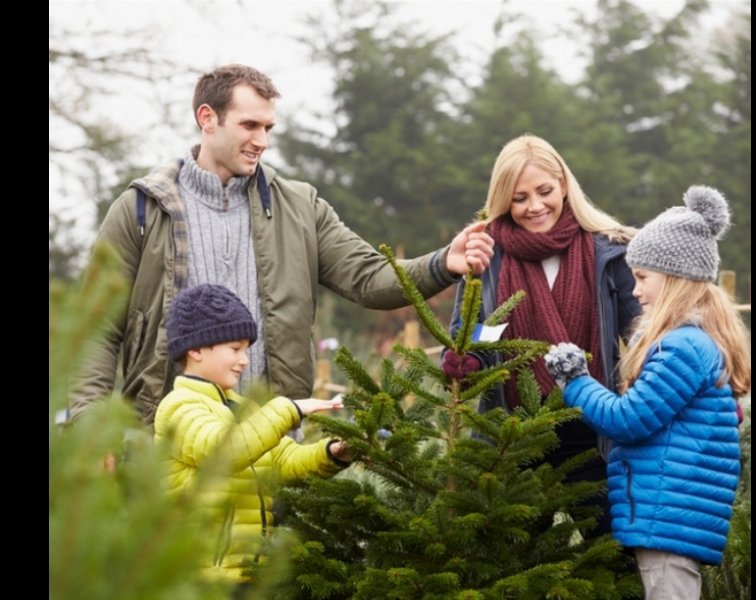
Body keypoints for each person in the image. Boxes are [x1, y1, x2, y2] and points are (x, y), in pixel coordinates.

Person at [71, 63, 493, 424]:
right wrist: (87, 423)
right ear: (207, 118)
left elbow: (369, 278)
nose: (262, 141)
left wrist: (443, 263)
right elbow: (95, 328)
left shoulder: (301, 207)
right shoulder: (140, 210)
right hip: (164, 447)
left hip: (271, 443)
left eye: (268, 127)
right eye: (249, 125)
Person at [544, 185, 750, 599]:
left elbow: (628, 420)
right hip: (669, 511)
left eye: (642, 278)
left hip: (666, 513)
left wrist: (576, 380)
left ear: (674, 279)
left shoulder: (682, 347)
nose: (635, 290)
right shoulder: (694, 342)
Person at [444, 134, 640, 533]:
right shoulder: (487, 254)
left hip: (596, 437)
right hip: (515, 439)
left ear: (564, 185)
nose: (534, 206)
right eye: (519, 198)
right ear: (503, 199)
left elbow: (643, 334)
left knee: (609, 562)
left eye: (544, 191)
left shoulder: (608, 249)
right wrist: (466, 356)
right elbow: (483, 331)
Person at [155, 283, 352, 583]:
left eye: (246, 350)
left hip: (249, 576)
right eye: (234, 349)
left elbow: (285, 460)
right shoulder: (178, 408)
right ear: (195, 349)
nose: (244, 360)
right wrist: (290, 409)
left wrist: (334, 452)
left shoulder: (242, 408)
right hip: (202, 581)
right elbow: (225, 452)